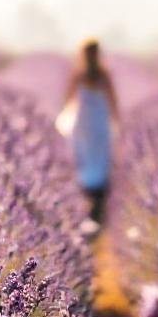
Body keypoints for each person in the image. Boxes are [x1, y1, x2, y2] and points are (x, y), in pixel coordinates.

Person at [59, 39, 119, 225]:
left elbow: (67, 98)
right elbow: (113, 101)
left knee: (83, 160)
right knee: (100, 160)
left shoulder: (78, 74)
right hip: (99, 123)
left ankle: (84, 207)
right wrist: (117, 122)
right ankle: (98, 208)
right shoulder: (104, 75)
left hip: (84, 124)